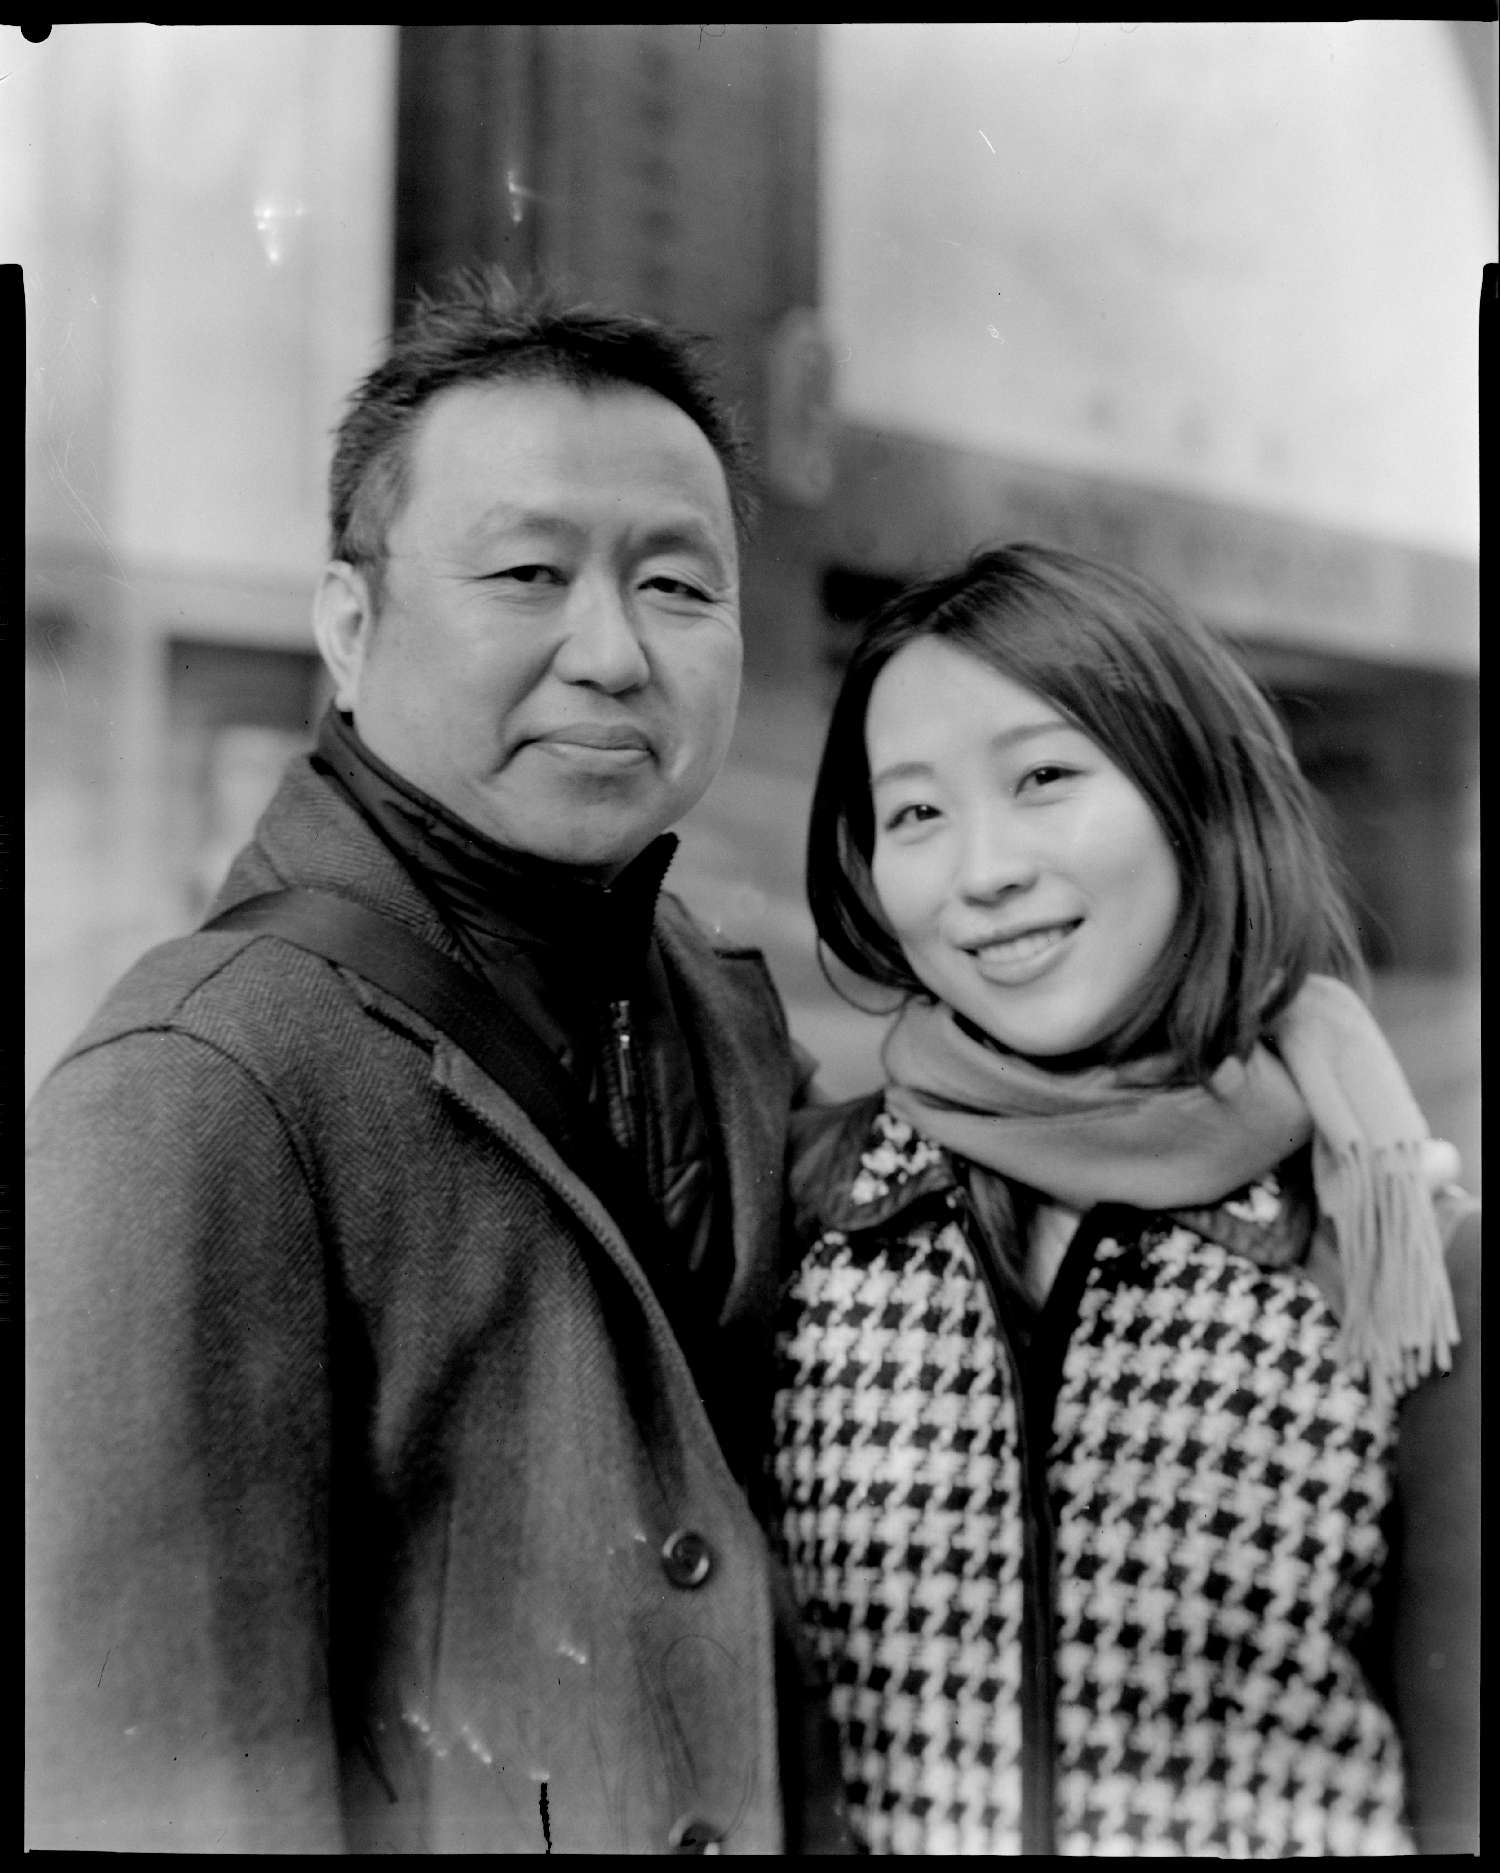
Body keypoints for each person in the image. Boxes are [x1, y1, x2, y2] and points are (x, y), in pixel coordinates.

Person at [26, 271, 853, 1855]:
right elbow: (156, 1795)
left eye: (678, 585)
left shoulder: (712, 1002)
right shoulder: (197, 1080)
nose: (614, 652)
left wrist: (1289, 1039)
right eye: (529, 572)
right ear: (349, 626)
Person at [770, 544, 1479, 1856]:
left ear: (1190, 797)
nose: (984, 870)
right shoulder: (807, 1221)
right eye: (915, 812)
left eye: (1044, 778)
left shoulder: (1397, 1245)